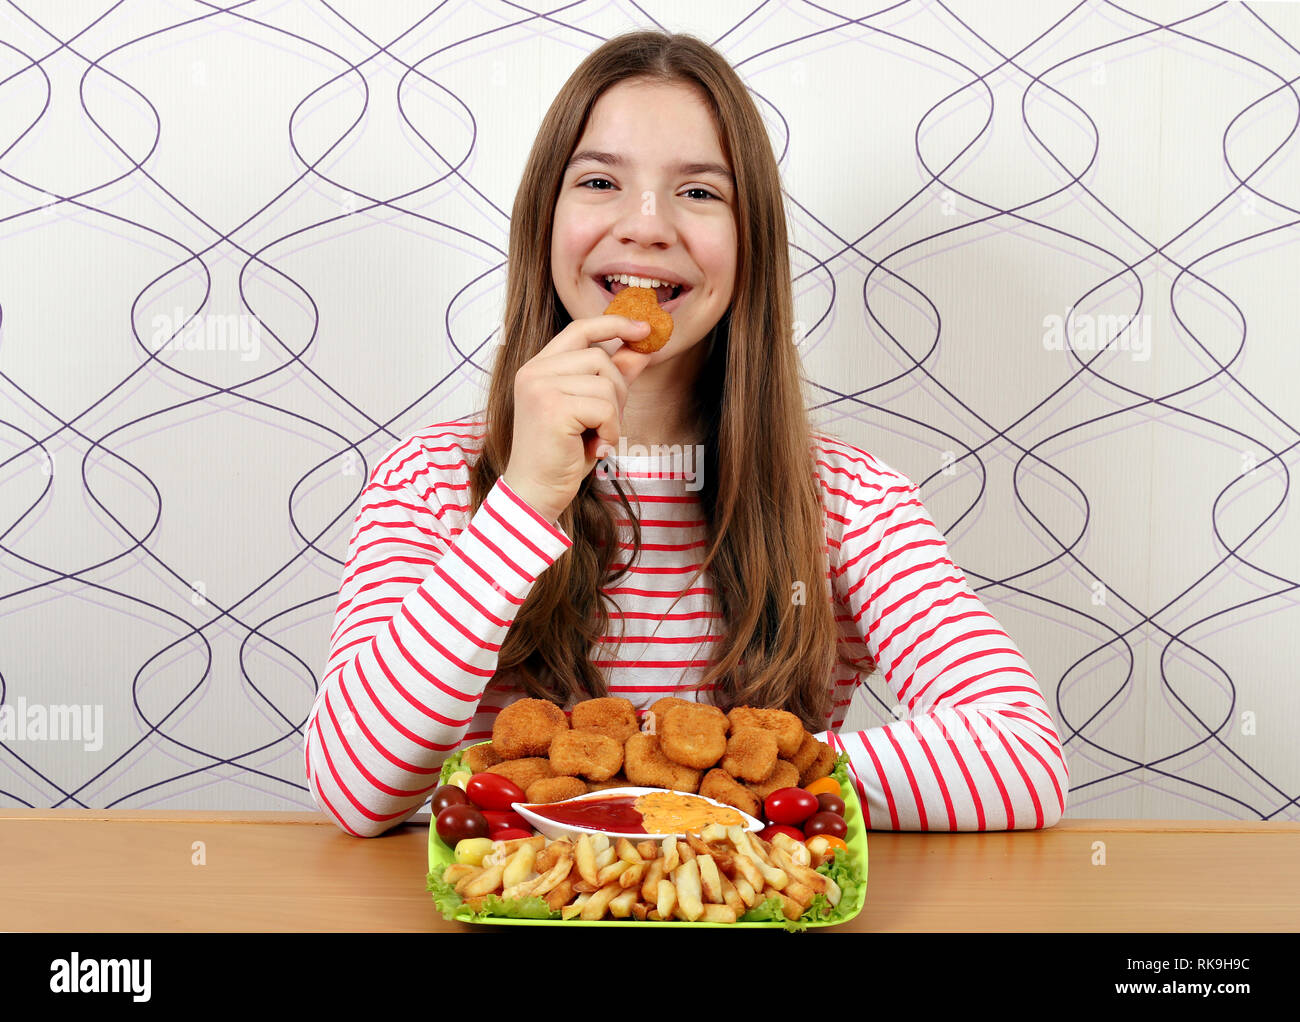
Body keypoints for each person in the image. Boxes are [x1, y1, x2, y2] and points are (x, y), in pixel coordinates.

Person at [305, 31, 1068, 838]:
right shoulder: (427, 482)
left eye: (700, 193)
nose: (646, 227)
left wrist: (729, 783)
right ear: (544, 221)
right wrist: (523, 502)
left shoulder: (850, 502)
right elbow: (357, 791)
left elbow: (1019, 755)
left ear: (750, 246)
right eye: (600, 181)